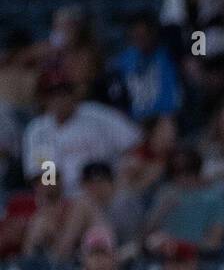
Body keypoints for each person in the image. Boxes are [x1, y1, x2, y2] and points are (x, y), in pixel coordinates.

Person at [22, 70, 140, 198]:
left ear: (74, 93)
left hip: (108, 188)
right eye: (53, 93)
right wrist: (54, 192)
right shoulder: (39, 130)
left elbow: (134, 142)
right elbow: (46, 174)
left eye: (64, 92)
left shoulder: (97, 115)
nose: (60, 98)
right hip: (67, 197)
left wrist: (124, 173)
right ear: (43, 99)